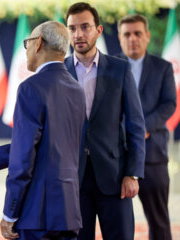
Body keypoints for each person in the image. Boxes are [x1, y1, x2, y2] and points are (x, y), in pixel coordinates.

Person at [0, 20, 86, 240]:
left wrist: (9, 213)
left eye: (28, 43)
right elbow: (50, 146)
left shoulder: (31, 88)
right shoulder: (77, 90)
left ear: (39, 43)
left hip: (36, 214)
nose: (27, 50)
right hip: (68, 213)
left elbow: (24, 157)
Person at [64, 2, 146, 239]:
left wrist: (132, 174)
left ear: (98, 30)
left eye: (85, 27)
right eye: (72, 28)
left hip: (116, 177)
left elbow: (136, 126)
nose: (78, 34)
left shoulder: (120, 69)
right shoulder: (60, 71)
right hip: (72, 180)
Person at [117, 14, 176, 240]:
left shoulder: (163, 68)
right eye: (127, 34)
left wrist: (143, 128)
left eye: (137, 33)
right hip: (118, 157)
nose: (133, 38)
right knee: (118, 224)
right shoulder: (111, 66)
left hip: (153, 157)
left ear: (147, 36)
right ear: (120, 39)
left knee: (159, 223)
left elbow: (169, 103)